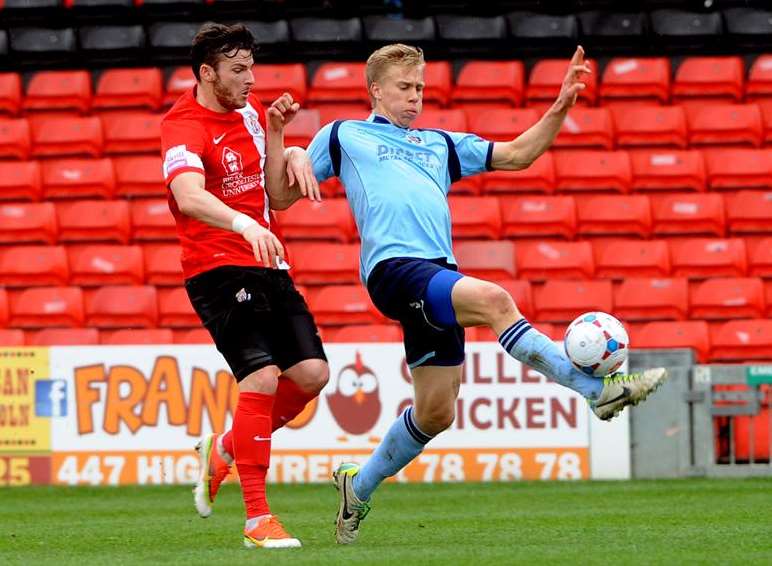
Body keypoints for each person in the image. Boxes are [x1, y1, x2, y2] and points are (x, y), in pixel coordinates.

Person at [300, 43, 668, 544]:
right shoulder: (344, 134)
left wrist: (559, 108)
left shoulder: (440, 144)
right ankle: (595, 392)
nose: (415, 98)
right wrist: (289, 146)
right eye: (405, 88)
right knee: (495, 301)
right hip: (393, 271)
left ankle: (357, 488)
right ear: (376, 90)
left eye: (420, 89)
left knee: (436, 412)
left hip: (436, 276)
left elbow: (517, 154)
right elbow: (282, 191)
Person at [160, 22, 327, 549]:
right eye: (238, 69)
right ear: (208, 73)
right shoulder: (182, 124)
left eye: (252, 66)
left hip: (268, 263)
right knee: (262, 379)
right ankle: (258, 519)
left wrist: (288, 146)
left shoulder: (253, 117)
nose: (251, 79)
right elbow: (188, 195)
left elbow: (275, 199)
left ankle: (226, 447)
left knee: (312, 375)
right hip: (217, 266)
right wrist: (241, 222)